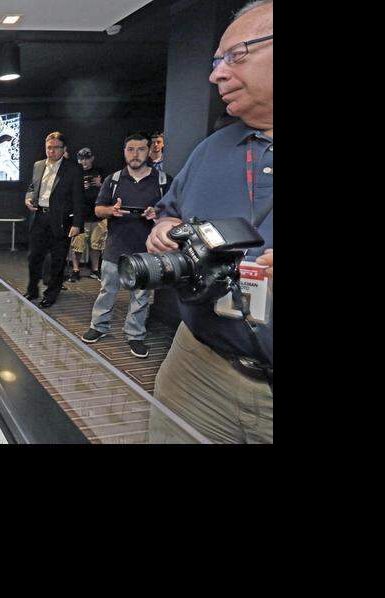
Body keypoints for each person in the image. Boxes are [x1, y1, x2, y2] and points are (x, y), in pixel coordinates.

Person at [145, 0, 273, 444]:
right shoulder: (211, 149)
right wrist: (164, 228)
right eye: (216, 61)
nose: (216, 74)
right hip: (199, 367)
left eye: (236, 56)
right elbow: (171, 210)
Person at [81, 133, 170, 358]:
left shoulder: (162, 181)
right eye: (131, 149)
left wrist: (157, 213)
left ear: (149, 151)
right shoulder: (113, 180)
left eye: (141, 149)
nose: (135, 154)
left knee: (141, 296)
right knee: (107, 290)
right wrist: (111, 211)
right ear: (124, 152)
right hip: (115, 247)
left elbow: (173, 213)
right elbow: (98, 209)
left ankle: (135, 335)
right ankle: (98, 326)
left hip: (147, 250)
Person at [23, 132, 83, 308]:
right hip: (38, 217)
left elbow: (79, 198)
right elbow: (32, 186)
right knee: (34, 257)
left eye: (56, 147)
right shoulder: (38, 165)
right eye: (49, 147)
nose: (52, 151)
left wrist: (77, 224)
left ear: (64, 149)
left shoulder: (73, 168)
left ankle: (51, 293)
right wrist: (28, 198)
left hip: (60, 221)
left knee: (57, 260)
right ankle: (32, 289)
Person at [67, 147, 106, 282]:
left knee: (96, 245)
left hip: (97, 215)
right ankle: (76, 269)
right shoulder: (74, 173)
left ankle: (95, 269)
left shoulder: (100, 171)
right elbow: (68, 193)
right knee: (77, 245)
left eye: (86, 158)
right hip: (80, 216)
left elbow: (110, 192)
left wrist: (100, 184)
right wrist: (80, 187)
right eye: (81, 159)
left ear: (92, 158)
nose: (84, 161)